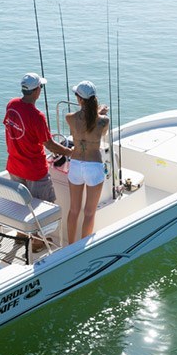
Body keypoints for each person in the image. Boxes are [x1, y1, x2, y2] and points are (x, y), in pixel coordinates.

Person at [3, 72, 73, 250]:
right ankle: (37, 243)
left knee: (22, 204)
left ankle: (21, 236)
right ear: (36, 91)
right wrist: (69, 151)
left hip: (14, 167)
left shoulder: (11, 105)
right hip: (34, 171)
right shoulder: (37, 116)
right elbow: (50, 145)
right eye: (40, 87)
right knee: (44, 208)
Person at [64, 80, 110, 244]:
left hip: (76, 165)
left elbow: (83, 120)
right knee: (89, 212)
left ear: (79, 99)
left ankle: (70, 246)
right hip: (93, 166)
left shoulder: (70, 118)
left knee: (74, 210)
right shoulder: (104, 121)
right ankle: (81, 248)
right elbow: (99, 129)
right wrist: (100, 112)